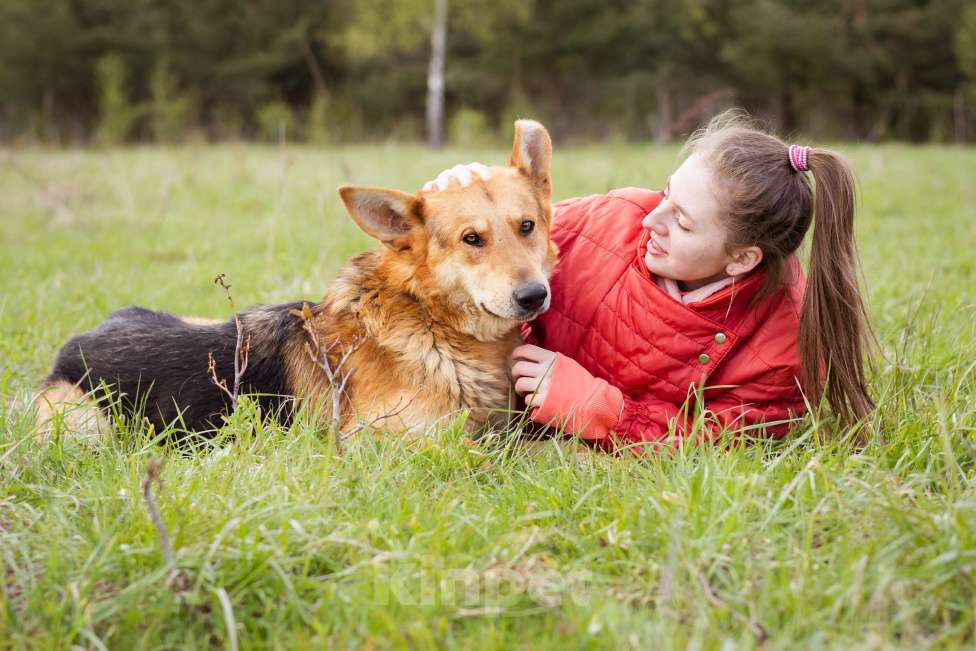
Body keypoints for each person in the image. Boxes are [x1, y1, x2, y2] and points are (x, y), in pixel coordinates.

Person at [424, 111, 874, 451]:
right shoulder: (612, 219)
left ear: (741, 259)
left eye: (683, 222)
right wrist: (458, 197)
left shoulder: (782, 347)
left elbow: (719, 445)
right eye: (666, 194)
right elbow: (507, 237)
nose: (652, 219)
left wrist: (600, 408)